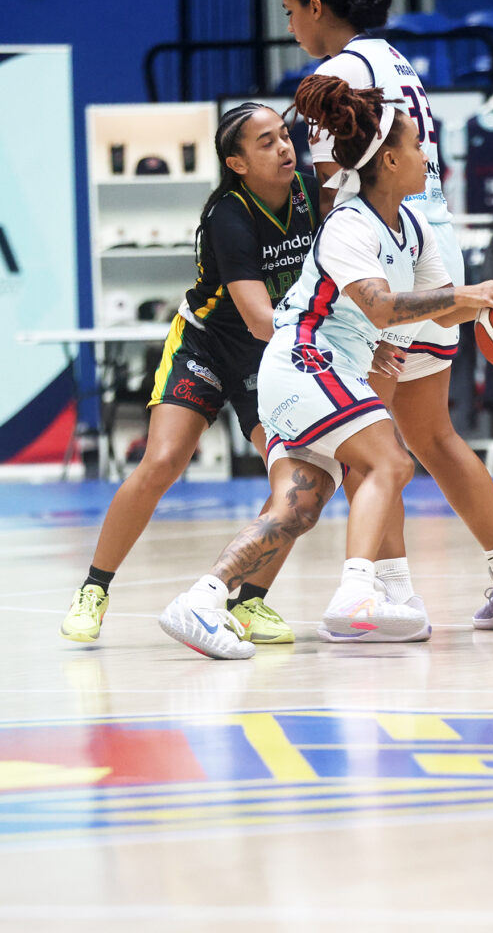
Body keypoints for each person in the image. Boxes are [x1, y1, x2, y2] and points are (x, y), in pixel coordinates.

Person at [158, 76, 493, 658]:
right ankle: (358, 594)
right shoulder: (348, 224)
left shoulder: (413, 229)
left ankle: (200, 601)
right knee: (390, 459)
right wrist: (470, 294)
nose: (426, 154)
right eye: (416, 145)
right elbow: (382, 306)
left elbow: (442, 313)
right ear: (389, 160)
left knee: (298, 506)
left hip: (325, 368)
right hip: (304, 359)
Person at [282, 0, 493, 630]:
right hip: (432, 244)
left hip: (379, 251)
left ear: (317, 8)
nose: (290, 27)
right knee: (432, 434)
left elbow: (330, 190)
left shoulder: (338, 74)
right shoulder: (394, 59)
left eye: (290, 12)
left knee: (368, 445)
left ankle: (393, 594)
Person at [60, 103, 320, 650]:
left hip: (267, 357)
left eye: (285, 135)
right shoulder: (228, 215)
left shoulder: (312, 193)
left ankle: (249, 601)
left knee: (297, 480)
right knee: (161, 462)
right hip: (208, 343)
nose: (284, 147)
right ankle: (93, 589)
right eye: (267, 141)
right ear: (237, 163)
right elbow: (257, 318)